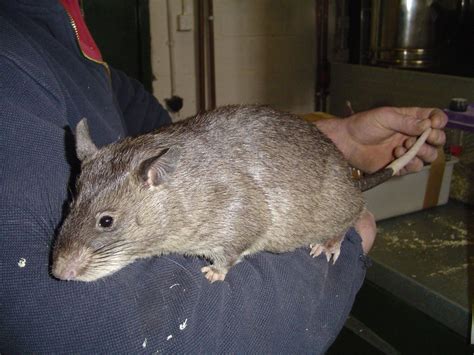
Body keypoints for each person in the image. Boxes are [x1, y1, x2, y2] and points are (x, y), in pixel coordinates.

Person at [0, 0, 446, 353]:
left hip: (302, 192)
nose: (60, 268)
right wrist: (354, 242)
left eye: (107, 224)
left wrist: (336, 141)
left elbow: (183, 141)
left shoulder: (86, 53)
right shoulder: (14, 63)